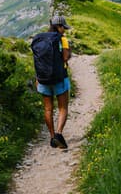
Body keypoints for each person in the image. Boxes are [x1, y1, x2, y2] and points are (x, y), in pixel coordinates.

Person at [36, 16, 71, 149]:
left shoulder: (41, 39)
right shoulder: (62, 39)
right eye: (63, 28)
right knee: (63, 107)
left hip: (43, 79)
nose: (64, 30)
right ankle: (58, 134)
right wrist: (67, 50)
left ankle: (51, 137)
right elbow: (65, 57)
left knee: (48, 108)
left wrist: (37, 78)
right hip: (60, 78)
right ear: (59, 27)